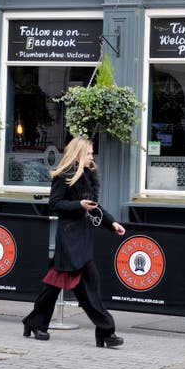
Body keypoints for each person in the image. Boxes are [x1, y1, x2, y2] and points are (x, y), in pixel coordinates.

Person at [22, 136, 127, 348]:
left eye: (91, 153)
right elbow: (54, 204)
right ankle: (106, 331)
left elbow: (94, 206)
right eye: (88, 153)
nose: (91, 157)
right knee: (90, 282)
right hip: (69, 239)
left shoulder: (88, 175)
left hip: (82, 236)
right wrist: (78, 204)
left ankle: (35, 322)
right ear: (78, 154)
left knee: (53, 286)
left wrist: (111, 223)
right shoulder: (63, 175)